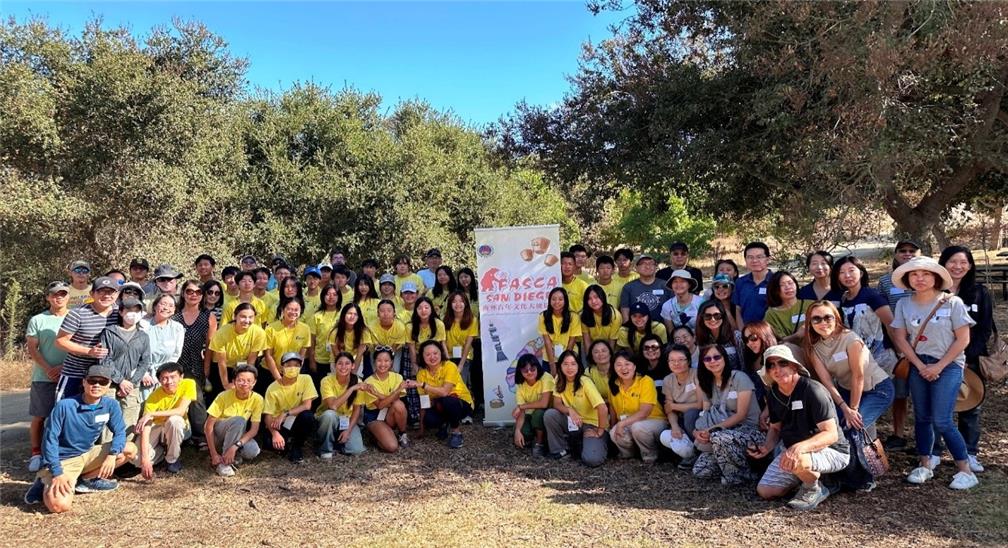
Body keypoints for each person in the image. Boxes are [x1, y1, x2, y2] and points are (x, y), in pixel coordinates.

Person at [890, 256, 979, 490]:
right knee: (922, 417)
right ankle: (925, 464)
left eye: (926, 274)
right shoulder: (904, 304)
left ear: (936, 277)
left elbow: (963, 339)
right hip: (919, 364)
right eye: (914, 275)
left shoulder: (952, 302)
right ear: (908, 279)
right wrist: (920, 366)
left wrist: (938, 367)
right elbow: (900, 337)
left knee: (942, 419)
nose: (920, 279)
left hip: (948, 366)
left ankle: (965, 469)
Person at [23, 365, 138, 512]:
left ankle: (86, 480)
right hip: (64, 460)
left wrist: (112, 454)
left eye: (102, 382)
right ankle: (45, 480)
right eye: (92, 381)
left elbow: (120, 432)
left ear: (108, 384)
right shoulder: (65, 406)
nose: (96, 385)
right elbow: (49, 441)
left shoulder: (111, 405)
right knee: (59, 506)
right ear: (84, 382)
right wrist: (58, 472)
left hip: (88, 453)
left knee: (129, 449)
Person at [750, 345, 850, 510]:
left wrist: (799, 447)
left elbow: (831, 434)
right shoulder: (773, 393)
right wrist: (766, 447)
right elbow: (775, 428)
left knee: (798, 458)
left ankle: (814, 488)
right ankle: (807, 476)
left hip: (832, 450)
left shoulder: (812, 390)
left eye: (783, 363)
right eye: (771, 365)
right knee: (766, 491)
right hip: (794, 451)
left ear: (794, 366)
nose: (777, 369)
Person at [937, 245, 994, 473]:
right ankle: (934, 451)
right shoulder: (934, 291)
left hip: (970, 359)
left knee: (970, 406)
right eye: (952, 261)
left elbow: (985, 328)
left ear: (970, 266)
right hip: (938, 359)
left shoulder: (979, 292)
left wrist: (969, 355)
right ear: (943, 263)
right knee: (939, 408)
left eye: (963, 262)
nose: (957, 266)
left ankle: (969, 452)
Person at [803, 300, 895, 434]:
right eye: (816, 319)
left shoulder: (850, 339)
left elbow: (858, 376)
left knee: (854, 428)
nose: (823, 323)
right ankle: (865, 454)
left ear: (836, 318)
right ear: (810, 323)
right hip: (846, 391)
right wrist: (844, 408)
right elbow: (827, 382)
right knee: (838, 427)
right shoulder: (814, 349)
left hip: (876, 389)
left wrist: (853, 409)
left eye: (828, 317)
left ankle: (864, 455)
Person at [692, 344, 764, 485]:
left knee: (719, 437)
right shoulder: (708, 383)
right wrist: (697, 432)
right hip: (719, 433)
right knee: (700, 470)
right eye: (707, 359)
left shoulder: (739, 378)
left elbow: (741, 415)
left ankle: (742, 475)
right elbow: (705, 413)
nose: (713, 361)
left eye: (717, 357)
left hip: (748, 431)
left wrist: (711, 430)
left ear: (724, 358)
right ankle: (731, 467)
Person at [877, 240, 921, 451]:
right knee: (900, 393)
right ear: (895, 255)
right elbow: (882, 317)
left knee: (924, 394)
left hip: (925, 345)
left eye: (912, 251)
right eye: (902, 251)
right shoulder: (885, 282)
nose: (907, 254)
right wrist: (896, 346)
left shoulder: (926, 278)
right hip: (897, 346)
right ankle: (898, 434)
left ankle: (926, 439)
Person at [25, 281, 70, 472]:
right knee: (40, 416)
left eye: (62, 294)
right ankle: (36, 453)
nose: (58, 297)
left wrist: (63, 367)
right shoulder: (38, 319)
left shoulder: (75, 317)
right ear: (48, 297)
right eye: (54, 294)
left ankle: (61, 452)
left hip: (70, 374)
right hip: (43, 376)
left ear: (68, 296)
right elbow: (32, 349)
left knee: (67, 416)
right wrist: (49, 368)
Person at [55, 276, 120, 400]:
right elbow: (60, 341)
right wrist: (89, 351)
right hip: (75, 374)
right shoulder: (77, 314)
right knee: (65, 412)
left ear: (117, 294)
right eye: (101, 291)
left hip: (103, 377)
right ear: (91, 294)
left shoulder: (120, 314)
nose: (106, 296)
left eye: (110, 292)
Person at [833, 256, 898, 375]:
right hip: (859, 359)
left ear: (861, 273)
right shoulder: (843, 299)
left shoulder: (872, 296)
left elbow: (891, 326)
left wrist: (901, 353)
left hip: (882, 358)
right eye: (841, 272)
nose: (847, 275)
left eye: (851, 270)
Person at [544, 351, 609, 465]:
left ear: (579, 366)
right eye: (566, 364)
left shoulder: (585, 382)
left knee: (592, 459)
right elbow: (557, 404)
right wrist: (570, 410)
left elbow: (602, 408)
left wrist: (600, 431)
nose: (570, 368)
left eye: (573, 364)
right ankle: (560, 450)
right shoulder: (559, 379)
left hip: (592, 425)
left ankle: (598, 443)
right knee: (550, 414)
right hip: (575, 421)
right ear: (560, 366)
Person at [99, 297, 152, 437]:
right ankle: (106, 454)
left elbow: (144, 362)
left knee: (129, 421)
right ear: (121, 312)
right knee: (107, 420)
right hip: (110, 383)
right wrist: (120, 380)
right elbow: (104, 358)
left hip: (131, 385)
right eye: (129, 310)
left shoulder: (143, 336)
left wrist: (131, 383)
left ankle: (125, 455)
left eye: (136, 310)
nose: (132, 313)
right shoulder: (109, 332)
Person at [173, 279, 216, 448]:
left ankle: (201, 434)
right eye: (190, 291)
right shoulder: (174, 315)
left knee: (197, 400)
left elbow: (211, 345)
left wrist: (206, 369)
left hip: (197, 363)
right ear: (183, 293)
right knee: (176, 399)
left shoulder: (208, 316)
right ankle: (180, 435)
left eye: (198, 292)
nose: (193, 295)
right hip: (176, 364)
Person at [133, 362, 195, 477]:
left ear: (181, 377)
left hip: (179, 427)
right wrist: (145, 459)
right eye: (164, 378)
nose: (169, 382)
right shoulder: (153, 396)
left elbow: (181, 411)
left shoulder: (188, 384)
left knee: (174, 420)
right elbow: (146, 426)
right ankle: (161, 453)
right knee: (137, 460)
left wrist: (152, 414)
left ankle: (172, 460)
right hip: (157, 427)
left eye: (173, 377)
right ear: (159, 380)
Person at [607, 350, 668, 463]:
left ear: (634, 366)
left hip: (654, 421)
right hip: (630, 423)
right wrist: (613, 426)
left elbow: (644, 412)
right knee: (614, 433)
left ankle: (650, 455)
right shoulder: (613, 384)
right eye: (618, 365)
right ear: (614, 367)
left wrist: (622, 423)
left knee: (638, 427)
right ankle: (629, 455)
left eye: (627, 364)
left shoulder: (645, 381)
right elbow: (612, 408)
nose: (623, 368)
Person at [204, 364, 264, 477]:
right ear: (234, 381)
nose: (244, 384)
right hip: (218, 435)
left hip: (237, 436)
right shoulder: (223, 396)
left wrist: (235, 446)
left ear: (254, 382)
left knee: (253, 450)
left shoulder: (258, 399)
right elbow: (208, 426)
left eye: (248, 380)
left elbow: (254, 430)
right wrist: (213, 453)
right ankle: (224, 464)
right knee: (239, 420)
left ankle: (232, 454)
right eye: (240, 380)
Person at [416, 341, 473, 448]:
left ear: (441, 353)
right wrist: (421, 428)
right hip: (440, 404)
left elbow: (445, 392)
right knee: (429, 419)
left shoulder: (449, 366)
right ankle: (445, 424)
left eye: (435, 353)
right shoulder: (421, 374)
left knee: (447, 400)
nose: (432, 357)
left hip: (460, 403)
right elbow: (424, 402)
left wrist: (425, 386)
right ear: (422, 357)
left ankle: (456, 433)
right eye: (427, 354)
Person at [262, 352, 318, 463]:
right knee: (270, 443)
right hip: (278, 424)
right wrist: (275, 434)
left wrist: (286, 413)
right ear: (281, 368)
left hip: (296, 419)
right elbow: (267, 416)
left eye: (296, 365)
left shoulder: (306, 379)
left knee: (308, 417)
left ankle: (297, 446)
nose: (292, 368)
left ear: (301, 367)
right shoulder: (272, 388)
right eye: (288, 365)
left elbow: (307, 405)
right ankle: (286, 444)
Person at [357, 347, 410, 453]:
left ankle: (402, 433)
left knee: (398, 404)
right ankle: (376, 437)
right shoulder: (368, 381)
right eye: (379, 360)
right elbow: (380, 406)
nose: (382, 364)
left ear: (391, 362)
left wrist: (377, 393)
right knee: (392, 447)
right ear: (374, 362)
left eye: (386, 361)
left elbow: (396, 400)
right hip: (375, 417)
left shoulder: (397, 377)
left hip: (390, 412)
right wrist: (397, 391)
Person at [208, 303, 268, 394]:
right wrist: (226, 384)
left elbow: (251, 362)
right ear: (235, 316)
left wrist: (244, 381)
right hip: (223, 369)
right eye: (243, 316)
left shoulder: (259, 333)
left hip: (245, 366)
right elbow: (222, 362)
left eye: (250, 317)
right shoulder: (222, 333)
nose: (247, 320)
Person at [315, 352, 366, 458]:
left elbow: (356, 410)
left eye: (347, 363)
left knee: (356, 450)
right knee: (330, 415)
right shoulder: (327, 381)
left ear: (353, 366)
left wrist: (348, 431)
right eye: (340, 363)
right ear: (335, 365)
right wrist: (351, 389)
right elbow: (333, 406)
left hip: (346, 420)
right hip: (328, 418)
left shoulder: (358, 381)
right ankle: (325, 449)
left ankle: (337, 442)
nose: (343, 367)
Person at [659, 344, 703, 465]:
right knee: (665, 435)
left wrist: (674, 406)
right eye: (672, 360)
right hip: (680, 419)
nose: (676, 363)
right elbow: (668, 408)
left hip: (698, 418)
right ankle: (691, 454)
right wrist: (674, 426)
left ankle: (701, 452)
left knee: (690, 414)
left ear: (688, 361)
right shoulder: (668, 380)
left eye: (680, 360)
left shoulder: (696, 375)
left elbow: (700, 404)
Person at [262, 298, 311, 394]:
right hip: (271, 372)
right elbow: (268, 356)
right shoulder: (271, 329)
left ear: (301, 311)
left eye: (296, 310)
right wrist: (279, 378)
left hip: (294, 373)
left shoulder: (305, 329)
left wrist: (295, 374)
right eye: (289, 309)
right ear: (282, 310)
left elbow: (302, 354)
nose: (293, 312)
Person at [143, 294, 185, 401]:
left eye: (171, 306)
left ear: (174, 310)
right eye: (163, 304)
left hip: (166, 378)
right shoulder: (143, 325)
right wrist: (143, 374)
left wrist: (164, 375)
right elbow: (135, 353)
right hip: (144, 376)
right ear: (155, 306)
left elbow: (176, 354)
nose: (166, 308)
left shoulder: (178, 328)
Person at [512, 354, 554, 457]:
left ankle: (540, 443)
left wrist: (521, 407)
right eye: (525, 370)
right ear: (520, 372)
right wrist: (517, 431)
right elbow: (521, 413)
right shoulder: (520, 384)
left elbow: (544, 404)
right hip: (529, 415)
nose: (529, 372)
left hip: (548, 415)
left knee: (538, 414)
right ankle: (537, 437)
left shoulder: (546, 377)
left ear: (537, 368)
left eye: (532, 369)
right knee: (521, 431)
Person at [538, 287, 582, 376]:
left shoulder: (573, 317)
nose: (557, 302)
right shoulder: (543, 316)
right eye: (553, 299)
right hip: (549, 357)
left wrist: (565, 362)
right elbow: (547, 341)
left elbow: (572, 340)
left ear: (565, 301)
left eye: (560, 299)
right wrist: (552, 364)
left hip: (569, 355)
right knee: (550, 383)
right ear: (549, 301)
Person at [619, 254, 669, 323]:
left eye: (651, 264)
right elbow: (625, 309)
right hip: (637, 328)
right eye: (643, 264)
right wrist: (628, 328)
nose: (647, 266)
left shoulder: (666, 285)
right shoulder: (628, 287)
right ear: (636, 267)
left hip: (661, 328)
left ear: (656, 267)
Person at [763, 271, 811, 343]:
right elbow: (775, 342)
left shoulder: (810, 305)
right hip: (788, 352)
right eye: (782, 285)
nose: (788, 287)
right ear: (775, 290)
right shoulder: (771, 314)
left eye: (790, 283)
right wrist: (796, 336)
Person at [733, 242, 774, 327]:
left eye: (759, 257)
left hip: (770, 333)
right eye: (750, 257)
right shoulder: (740, 282)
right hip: (746, 334)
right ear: (745, 260)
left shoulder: (776, 281)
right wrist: (742, 332)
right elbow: (737, 309)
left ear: (768, 259)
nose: (754, 261)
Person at [443, 291, 478, 387]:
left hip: (465, 357)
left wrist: (461, 365)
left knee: (461, 383)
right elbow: (443, 341)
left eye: (461, 301)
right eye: (454, 301)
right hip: (448, 357)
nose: (458, 304)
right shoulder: (444, 319)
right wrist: (447, 360)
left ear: (466, 303)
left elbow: (468, 344)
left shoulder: (472, 320)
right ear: (450, 304)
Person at [695, 300, 743, 370]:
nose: (713, 319)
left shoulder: (736, 337)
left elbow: (744, 365)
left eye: (717, 315)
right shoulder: (698, 339)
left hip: (736, 378)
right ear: (701, 318)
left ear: (723, 316)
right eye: (707, 316)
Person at [329, 302, 371, 375]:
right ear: (343, 315)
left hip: (356, 361)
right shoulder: (335, 332)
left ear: (359, 317)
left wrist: (353, 374)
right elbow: (337, 354)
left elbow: (360, 354)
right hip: (338, 361)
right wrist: (344, 370)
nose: (352, 317)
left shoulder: (364, 332)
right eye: (349, 313)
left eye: (355, 314)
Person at [580, 285, 620, 351]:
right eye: (589, 299)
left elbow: (612, 343)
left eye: (596, 297)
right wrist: (590, 359)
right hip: (592, 345)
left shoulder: (615, 315)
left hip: (609, 346)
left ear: (603, 297)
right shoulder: (584, 315)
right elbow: (586, 341)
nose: (593, 301)